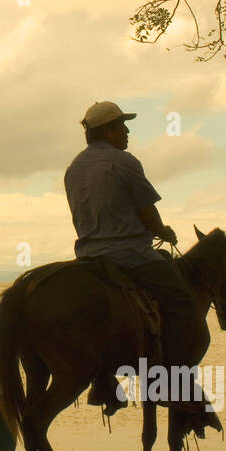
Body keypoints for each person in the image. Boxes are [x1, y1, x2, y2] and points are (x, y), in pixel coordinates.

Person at [63, 101, 203, 417]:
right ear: (108, 130)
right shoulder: (123, 162)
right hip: (130, 256)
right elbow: (145, 210)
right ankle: (170, 383)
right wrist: (163, 231)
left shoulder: (73, 169)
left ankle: (103, 380)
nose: (127, 132)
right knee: (183, 305)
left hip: (87, 256)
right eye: (122, 126)